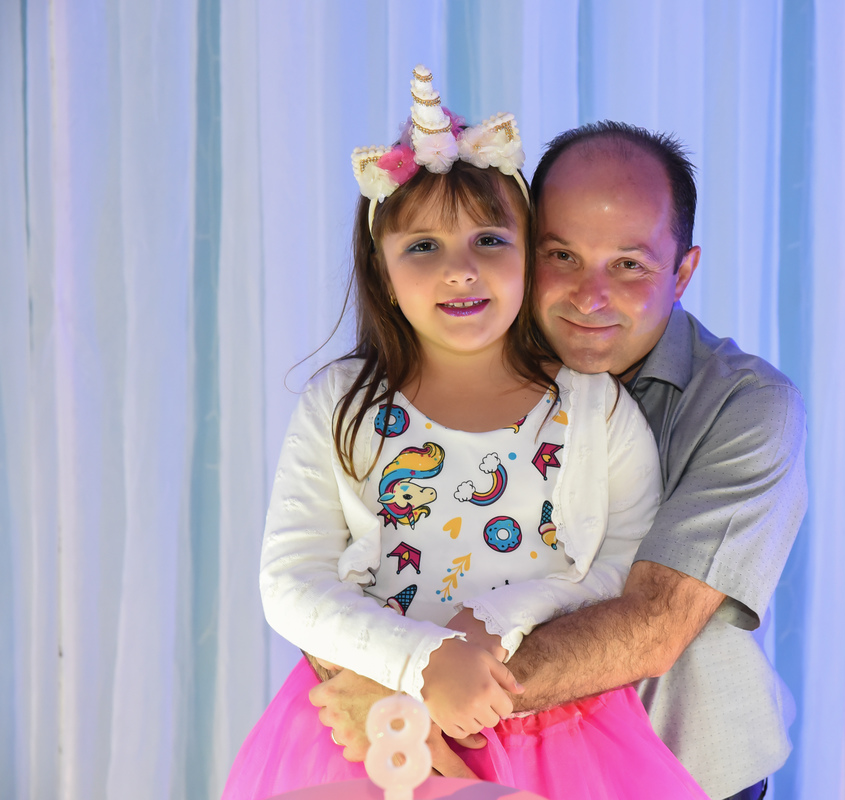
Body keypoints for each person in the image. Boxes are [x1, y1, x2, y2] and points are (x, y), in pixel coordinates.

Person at [222, 69, 708, 800]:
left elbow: (620, 565)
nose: (460, 271)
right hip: (372, 727)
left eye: (488, 240)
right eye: (423, 246)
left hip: (555, 736)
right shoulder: (342, 404)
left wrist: (491, 623)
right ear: (381, 269)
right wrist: (419, 663)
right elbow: (291, 580)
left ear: (529, 253)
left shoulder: (593, 409)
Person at [314, 122, 808, 800]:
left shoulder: (747, 405)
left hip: (686, 769)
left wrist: (418, 688)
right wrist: (371, 669)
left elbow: (653, 623)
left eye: (629, 265)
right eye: (562, 255)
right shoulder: (451, 352)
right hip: (468, 769)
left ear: (683, 272)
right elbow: (329, 551)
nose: (589, 296)